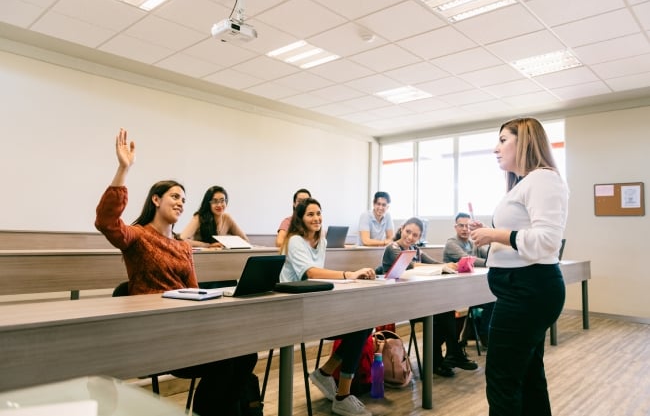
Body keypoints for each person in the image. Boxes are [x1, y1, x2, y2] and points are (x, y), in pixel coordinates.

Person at [95, 128, 259, 416]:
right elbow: (106, 221)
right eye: (175, 196)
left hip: (186, 328)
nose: (181, 202)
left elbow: (195, 292)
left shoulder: (183, 247)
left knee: (245, 353)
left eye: (184, 199)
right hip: (156, 333)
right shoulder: (138, 236)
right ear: (156, 200)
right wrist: (124, 169)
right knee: (223, 362)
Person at [470, 117, 568, 416]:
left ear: (523, 141)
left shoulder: (543, 179)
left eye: (502, 140)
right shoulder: (526, 183)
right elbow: (522, 237)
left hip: (528, 289)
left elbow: (548, 240)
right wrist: (489, 233)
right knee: (527, 374)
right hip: (523, 289)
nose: (495, 148)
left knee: (502, 378)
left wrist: (495, 234)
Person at [279, 197, 375, 416]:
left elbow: (315, 280)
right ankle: (339, 393)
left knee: (363, 322)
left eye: (319, 213)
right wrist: (349, 274)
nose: (316, 218)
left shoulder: (321, 241)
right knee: (359, 325)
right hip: (292, 307)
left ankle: (329, 377)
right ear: (300, 219)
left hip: (313, 302)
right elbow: (310, 273)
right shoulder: (294, 241)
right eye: (310, 214)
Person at [378, 217, 478, 377]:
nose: (410, 237)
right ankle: (448, 355)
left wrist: (447, 265)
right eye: (408, 232)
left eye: (415, 235)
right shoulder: (393, 248)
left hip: (415, 298)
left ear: (419, 237)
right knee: (440, 313)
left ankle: (444, 358)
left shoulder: (416, 249)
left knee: (445, 309)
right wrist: (441, 266)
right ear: (402, 229)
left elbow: (433, 262)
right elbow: (412, 265)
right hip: (396, 301)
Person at [443, 212, 493, 347]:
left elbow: (487, 255)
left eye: (467, 226)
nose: (465, 229)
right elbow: (469, 260)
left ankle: (484, 332)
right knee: (491, 298)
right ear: (455, 227)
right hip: (453, 292)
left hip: (471, 289)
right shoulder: (451, 244)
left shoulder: (473, 243)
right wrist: (492, 262)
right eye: (461, 225)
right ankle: (483, 332)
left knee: (494, 297)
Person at [181, 185, 249, 248]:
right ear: (208, 204)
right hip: (201, 257)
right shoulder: (199, 217)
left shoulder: (227, 218)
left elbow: (245, 240)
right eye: (215, 201)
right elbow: (182, 240)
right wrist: (208, 245)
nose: (219, 205)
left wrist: (228, 243)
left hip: (220, 257)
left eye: (222, 201)